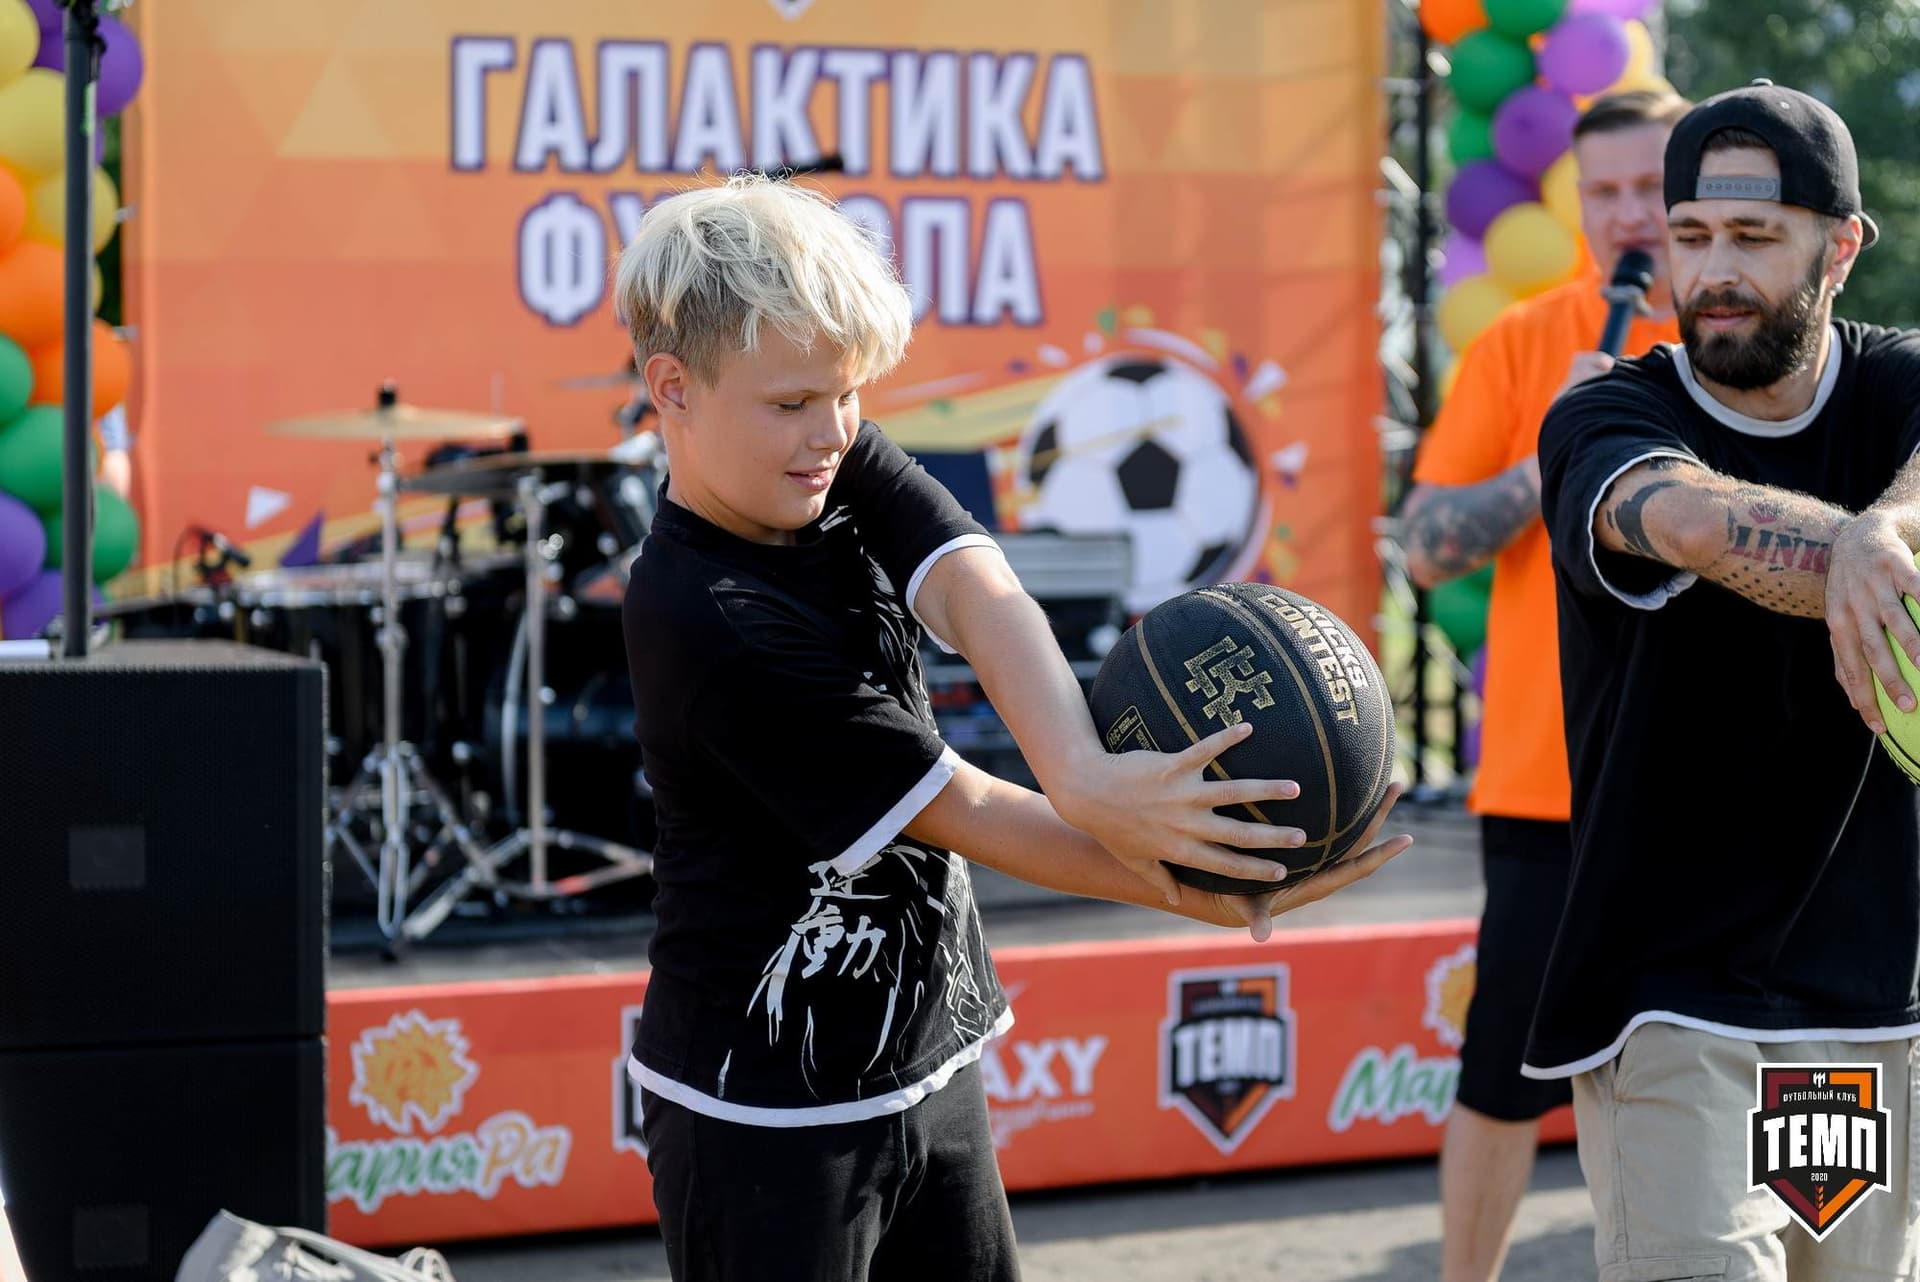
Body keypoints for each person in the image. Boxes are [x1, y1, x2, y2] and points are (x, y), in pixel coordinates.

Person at [613, 174, 1412, 1282]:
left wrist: (1083, 770)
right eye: (793, 402)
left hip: (925, 1062)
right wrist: (1204, 887)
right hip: (763, 1111)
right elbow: (970, 814)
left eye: (848, 394)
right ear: (674, 388)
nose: (832, 430)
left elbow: (977, 588)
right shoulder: (709, 620)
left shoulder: (825, 459)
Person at [1531, 81, 1920, 1280]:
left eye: (1754, 238)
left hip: (1867, 1001)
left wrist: (1891, 528)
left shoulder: (1895, 383)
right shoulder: (1607, 411)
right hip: (1670, 998)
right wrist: (1853, 549)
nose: (1715, 271)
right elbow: (1690, 522)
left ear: (1840, 246)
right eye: (1692, 235)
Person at [1401, 88, 1690, 1282]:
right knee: (1504, 1071)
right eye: (1604, 191)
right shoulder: (1527, 342)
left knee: (1727, 1062)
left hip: (1716, 782)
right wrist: (1553, 448)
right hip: (1547, 775)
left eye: (1649, 190)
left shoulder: (1754, 340)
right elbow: (1427, 543)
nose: (1627, 217)